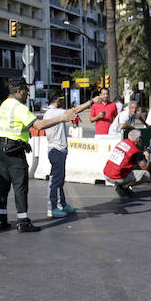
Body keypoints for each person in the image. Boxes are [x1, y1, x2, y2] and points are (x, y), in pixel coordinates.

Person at [0, 78, 76, 233]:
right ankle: (23, 221)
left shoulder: (5, 104)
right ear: (19, 91)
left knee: (3, 185)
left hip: (1, 148)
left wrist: (22, 140)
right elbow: (38, 126)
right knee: (20, 186)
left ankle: (2, 219)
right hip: (13, 151)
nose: (27, 93)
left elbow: (10, 128)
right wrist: (61, 118)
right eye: (26, 90)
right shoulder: (19, 107)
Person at [43, 89, 99, 218]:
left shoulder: (49, 112)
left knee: (59, 179)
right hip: (57, 149)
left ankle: (62, 204)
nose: (62, 101)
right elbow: (75, 110)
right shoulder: (55, 112)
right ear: (57, 100)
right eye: (61, 99)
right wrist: (91, 101)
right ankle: (52, 208)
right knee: (55, 180)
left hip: (57, 149)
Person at [103, 129, 151, 199]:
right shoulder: (136, 152)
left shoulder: (122, 142)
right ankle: (123, 186)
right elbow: (145, 167)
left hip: (106, 173)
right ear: (138, 139)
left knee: (129, 167)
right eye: (141, 138)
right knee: (147, 175)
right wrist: (147, 154)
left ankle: (123, 185)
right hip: (116, 177)